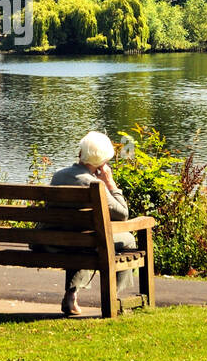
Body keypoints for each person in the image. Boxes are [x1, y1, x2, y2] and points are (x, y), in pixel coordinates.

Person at [41, 132, 138, 316]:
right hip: (84, 241)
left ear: (81, 153)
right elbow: (123, 214)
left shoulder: (58, 177)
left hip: (54, 241)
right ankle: (112, 297)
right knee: (128, 240)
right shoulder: (94, 184)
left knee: (84, 241)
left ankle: (71, 296)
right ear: (102, 163)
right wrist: (110, 183)